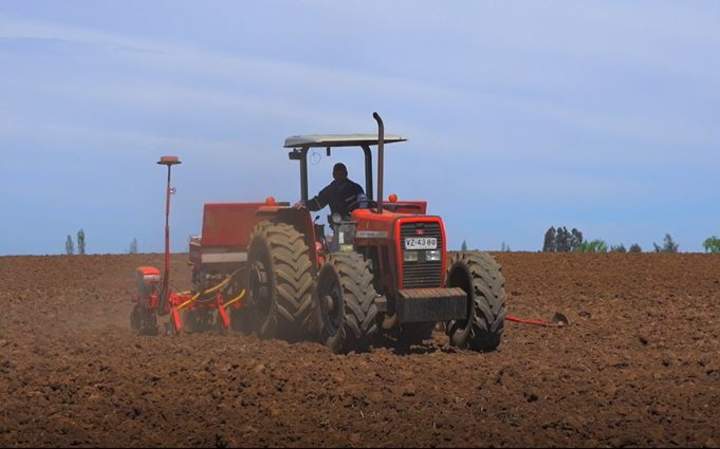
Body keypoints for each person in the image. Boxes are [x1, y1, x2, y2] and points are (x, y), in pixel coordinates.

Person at [295, 163, 366, 217]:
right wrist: (304, 204)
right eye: (337, 174)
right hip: (339, 224)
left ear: (346, 174)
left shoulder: (356, 188)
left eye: (341, 173)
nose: (339, 176)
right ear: (333, 175)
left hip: (357, 221)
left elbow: (364, 203)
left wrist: (359, 213)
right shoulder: (329, 191)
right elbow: (317, 203)